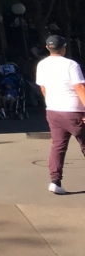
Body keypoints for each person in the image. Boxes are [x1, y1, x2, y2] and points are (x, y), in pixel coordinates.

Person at [34, 35, 85, 195]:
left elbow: (43, 89)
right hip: (73, 110)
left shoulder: (42, 65)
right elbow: (79, 88)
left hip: (53, 110)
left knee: (58, 146)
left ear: (48, 47)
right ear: (63, 48)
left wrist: (51, 102)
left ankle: (55, 181)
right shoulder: (71, 65)